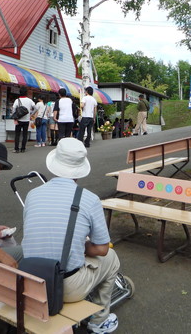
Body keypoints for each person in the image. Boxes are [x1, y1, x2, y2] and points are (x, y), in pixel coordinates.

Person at [22, 138, 120, 333]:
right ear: (80, 169)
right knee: (111, 258)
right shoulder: (89, 199)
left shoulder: (32, 194)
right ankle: (99, 320)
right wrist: (82, 246)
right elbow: (101, 249)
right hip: (65, 286)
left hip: (31, 281)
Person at [11, 87, 36, 153]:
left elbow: (13, 109)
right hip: (26, 120)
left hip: (19, 119)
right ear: (26, 93)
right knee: (25, 134)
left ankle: (16, 149)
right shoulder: (30, 100)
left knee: (17, 134)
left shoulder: (17, 100)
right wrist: (31, 114)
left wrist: (15, 117)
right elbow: (35, 108)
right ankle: (23, 148)